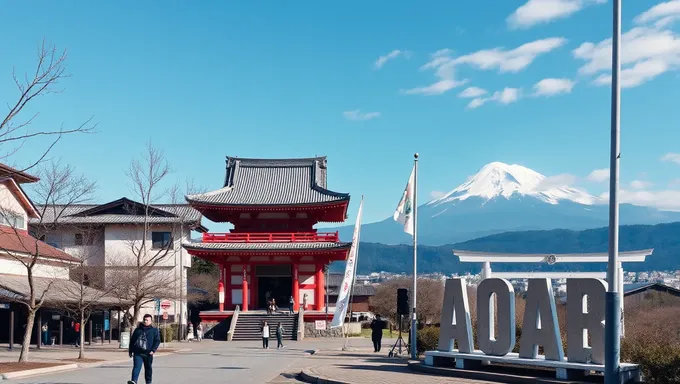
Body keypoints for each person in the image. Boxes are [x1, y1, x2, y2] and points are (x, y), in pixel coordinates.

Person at [128, 314, 161, 384]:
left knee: (148, 368)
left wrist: (153, 350)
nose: (145, 321)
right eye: (144, 320)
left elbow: (157, 341)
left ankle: (148, 382)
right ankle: (134, 381)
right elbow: (132, 340)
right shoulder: (138, 330)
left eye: (147, 320)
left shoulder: (154, 330)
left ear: (151, 321)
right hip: (138, 353)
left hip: (148, 353)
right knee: (136, 367)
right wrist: (130, 351)